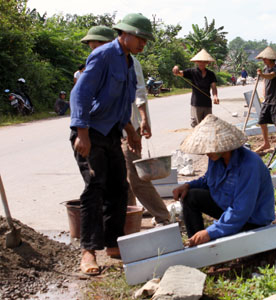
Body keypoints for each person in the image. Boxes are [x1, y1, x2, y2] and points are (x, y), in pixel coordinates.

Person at [70, 13, 152, 276]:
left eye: (145, 40)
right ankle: (88, 252)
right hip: (90, 131)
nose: (142, 43)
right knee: (94, 188)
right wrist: (81, 132)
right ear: (124, 34)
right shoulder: (103, 55)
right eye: (140, 37)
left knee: (118, 187)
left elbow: (123, 102)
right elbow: (80, 94)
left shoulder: (129, 62)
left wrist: (131, 130)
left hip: (112, 132)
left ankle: (113, 242)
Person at [81, 24, 171, 226]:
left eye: (98, 46)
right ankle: (126, 217)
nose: (95, 51)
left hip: (127, 127)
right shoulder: (100, 62)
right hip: (109, 129)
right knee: (121, 180)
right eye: (92, 47)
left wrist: (140, 122)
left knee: (135, 177)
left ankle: (163, 217)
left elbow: (138, 94)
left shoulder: (130, 63)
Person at [172, 114, 275, 246]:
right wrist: (187, 185)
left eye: (210, 148)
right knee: (190, 196)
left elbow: (241, 211)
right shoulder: (216, 157)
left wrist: (210, 232)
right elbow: (208, 180)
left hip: (251, 220)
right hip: (228, 209)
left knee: (224, 237)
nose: (207, 153)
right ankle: (196, 243)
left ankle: (206, 240)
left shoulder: (249, 165)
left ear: (223, 145)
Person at [172, 49, 219, 127]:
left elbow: (214, 87)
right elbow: (180, 73)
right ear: (197, 62)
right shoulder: (192, 72)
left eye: (204, 61)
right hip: (196, 103)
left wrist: (215, 96)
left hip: (207, 103)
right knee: (196, 126)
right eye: (200, 61)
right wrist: (176, 68)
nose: (202, 63)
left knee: (208, 125)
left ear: (207, 62)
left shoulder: (211, 74)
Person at [254, 46, 276, 153]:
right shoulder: (265, 69)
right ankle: (266, 143)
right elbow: (264, 81)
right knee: (262, 121)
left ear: (270, 59)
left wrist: (262, 75)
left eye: (265, 58)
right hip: (267, 100)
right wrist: (263, 92)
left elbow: (271, 76)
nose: (263, 60)